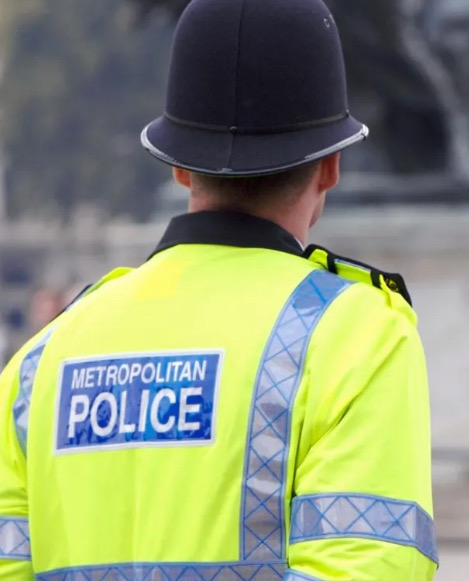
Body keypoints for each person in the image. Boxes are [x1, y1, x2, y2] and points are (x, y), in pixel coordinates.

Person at [0, 0, 436, 579]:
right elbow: (366, 564)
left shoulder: (43, 361)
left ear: (179, 166)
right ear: (331, 166)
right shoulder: (357, 339)